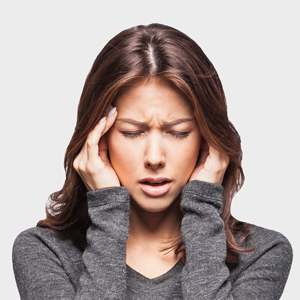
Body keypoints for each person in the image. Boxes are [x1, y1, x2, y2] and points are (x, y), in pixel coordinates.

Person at [12, 23, 293, 299]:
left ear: (208, 140)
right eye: (132, 132)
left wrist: (203, 206)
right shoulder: (43, 252)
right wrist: (108, 209)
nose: (155, 158)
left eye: (178, 132)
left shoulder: (263, 254)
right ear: (98, 138)